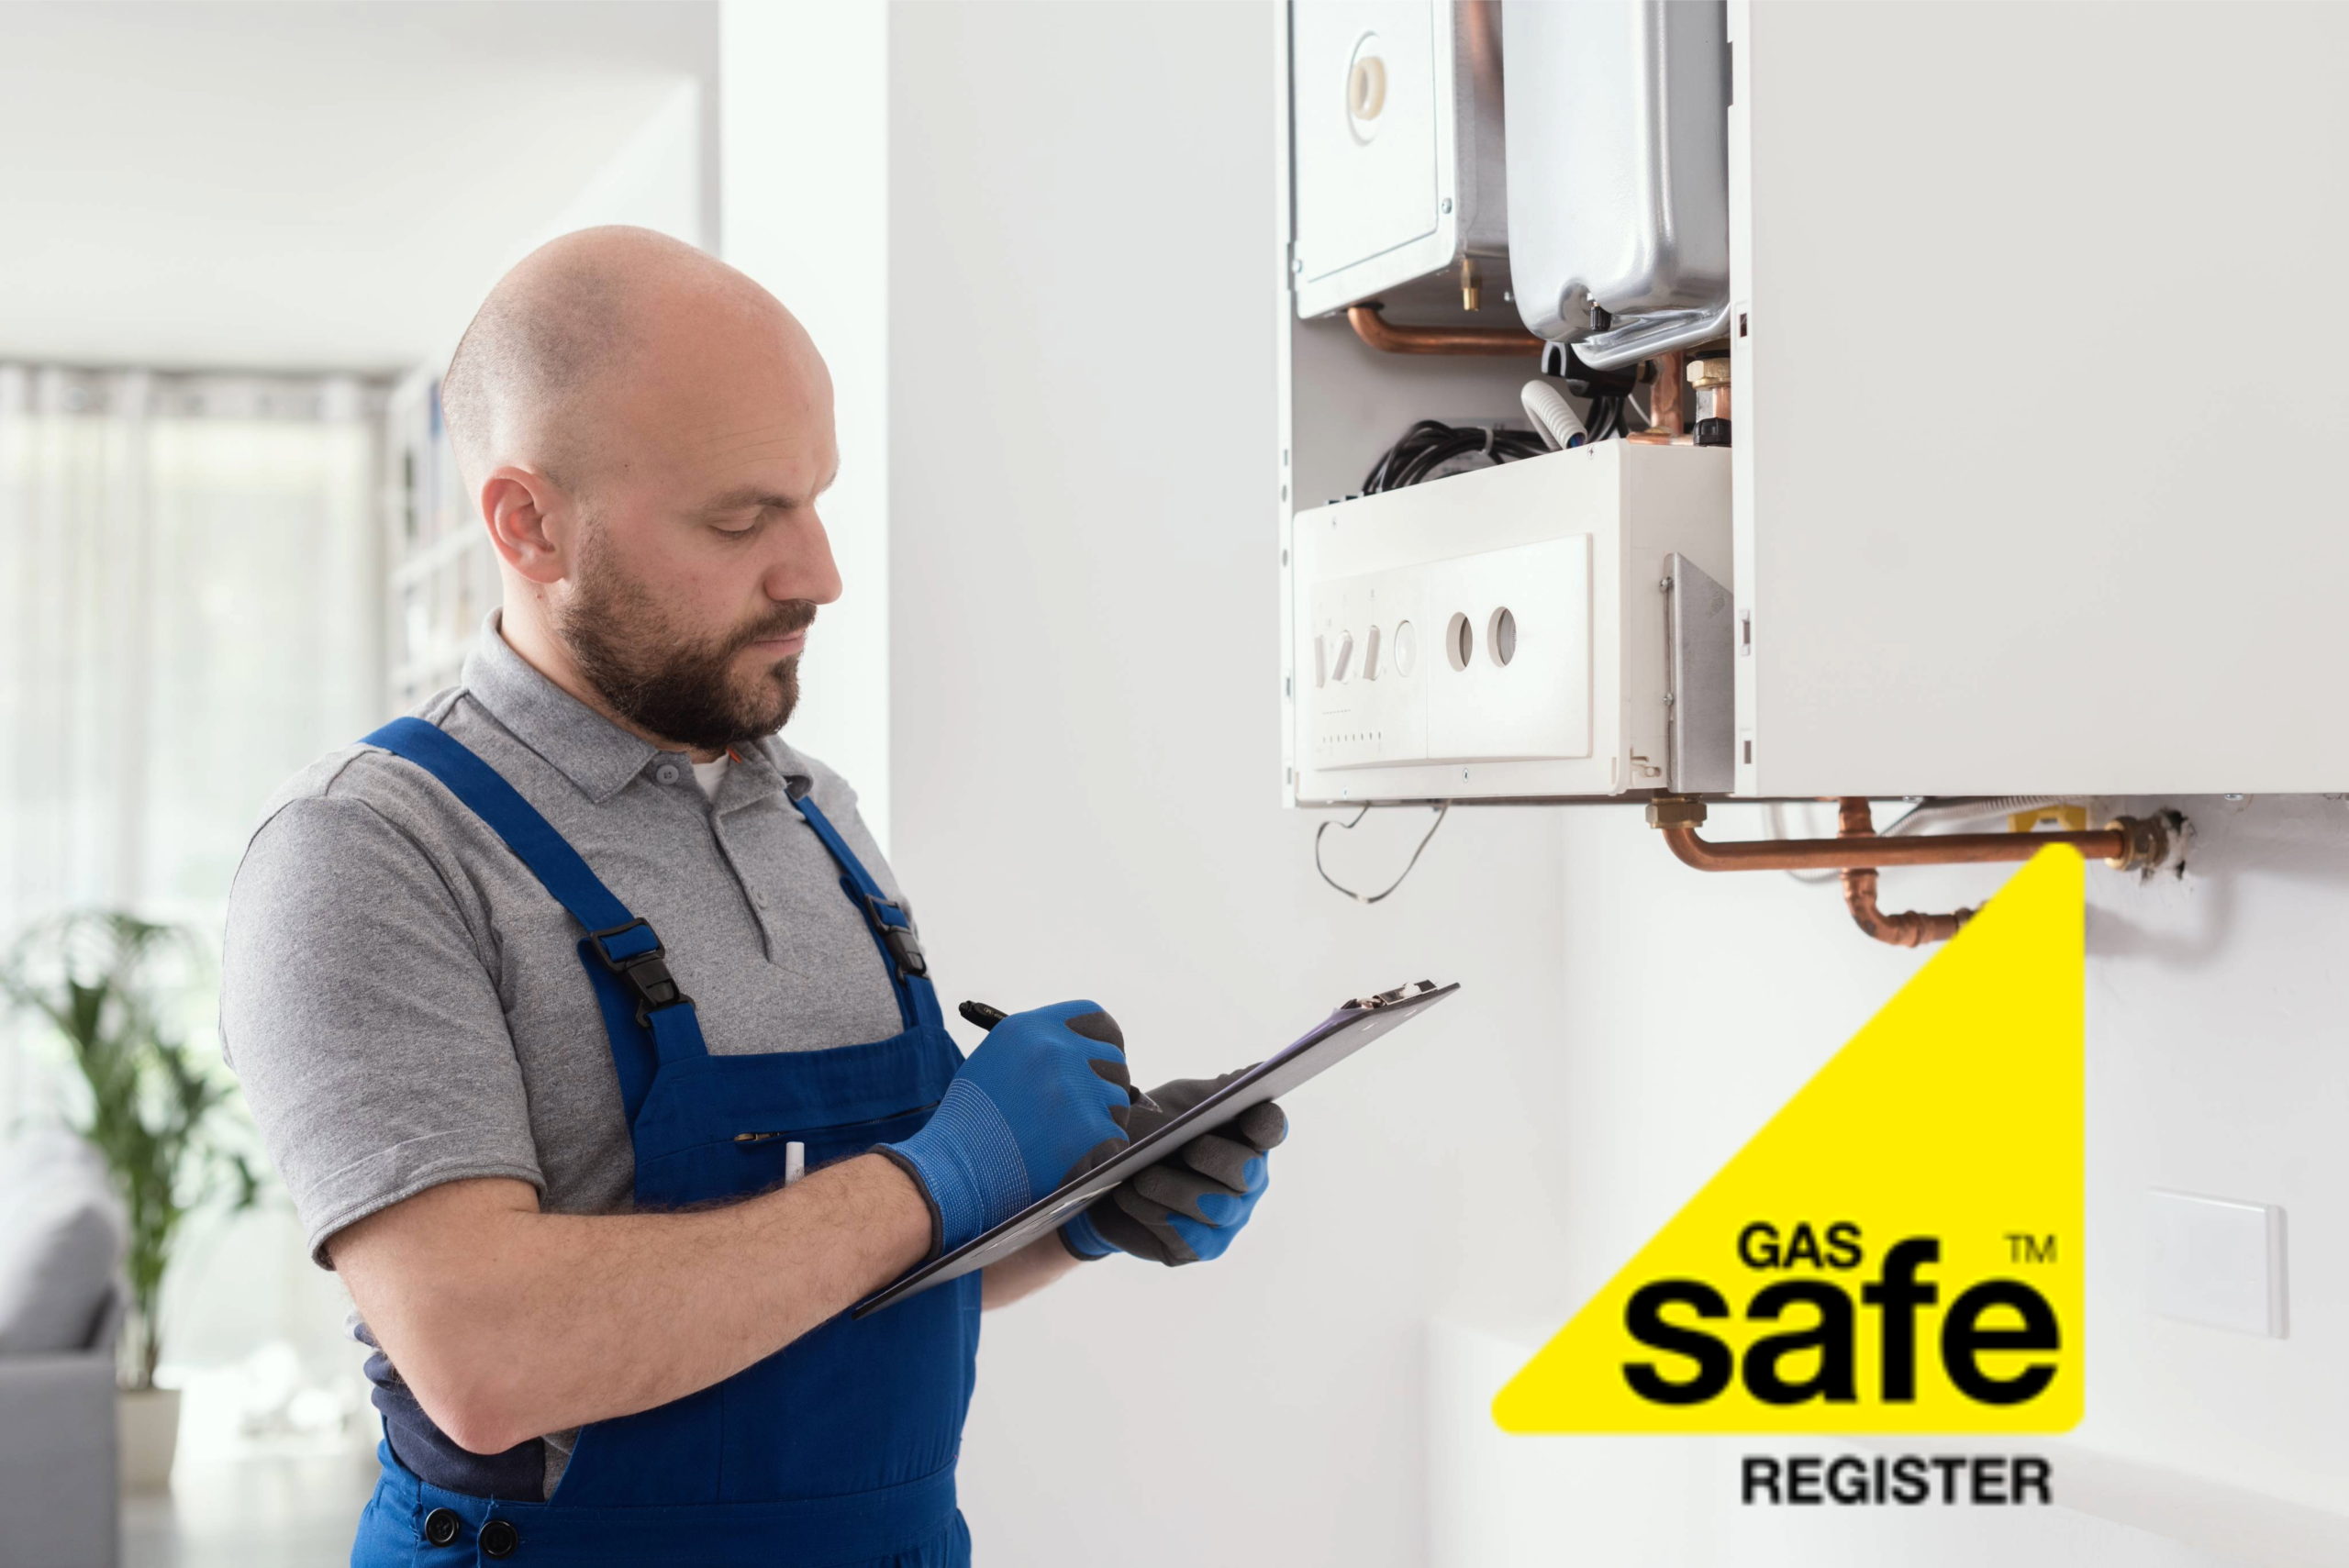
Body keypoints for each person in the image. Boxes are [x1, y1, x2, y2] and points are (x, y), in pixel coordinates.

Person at [220, 226, 1288, 1567]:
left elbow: (840, 1275)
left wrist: (1072, 1210)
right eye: (740, 520)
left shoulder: (816, 816)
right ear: (529, 524)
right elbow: (487, 1354)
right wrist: (946, 1168)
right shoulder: (373, 850)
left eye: (815, 499)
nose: (817, 574)